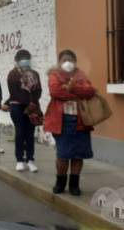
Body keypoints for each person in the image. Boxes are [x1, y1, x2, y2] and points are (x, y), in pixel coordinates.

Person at [44, 49, 95, 196]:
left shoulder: (81, 75)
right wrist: (77, 92)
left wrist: (72, 87)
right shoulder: (54, 75)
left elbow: (90, 92)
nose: (68, 63)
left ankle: (74, 184)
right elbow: (56, 92)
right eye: (64, 60)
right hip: (62, 121)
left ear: (75, 62)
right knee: (63, 154)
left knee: (78, 155)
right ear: (59, 62)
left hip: (80, 121)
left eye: (71, 60)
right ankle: (60, 182)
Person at [6, 49, 41, 172]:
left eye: (27, 58)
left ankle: (30, 160)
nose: (25, 61)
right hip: (17, 107)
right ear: (17, 61)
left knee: (30, 134)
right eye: (22, 59)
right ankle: (19, 160)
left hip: (32, 107)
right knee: (20, 133)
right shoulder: (13, 74)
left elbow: (38, 91)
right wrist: (28, 102)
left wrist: (33, 103)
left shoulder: (35, 74)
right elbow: (14, 93)